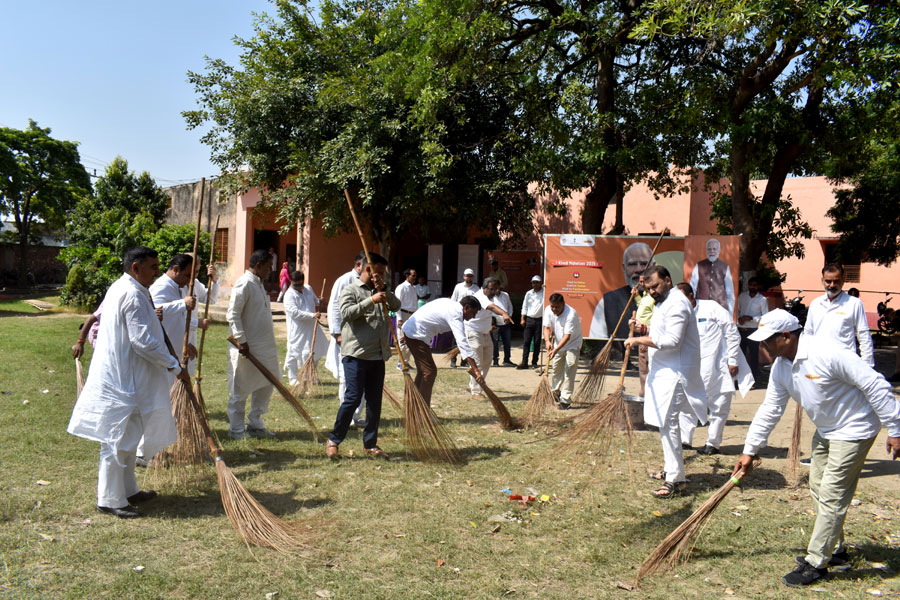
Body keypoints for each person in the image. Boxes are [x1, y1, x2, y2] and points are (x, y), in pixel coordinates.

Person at [733, 309, 900, 587]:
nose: (762, 347)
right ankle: (836, 551)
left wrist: (895, 429)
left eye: (767, 341)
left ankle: (816, 562)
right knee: (819, 485)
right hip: (827, 429)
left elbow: (875, 384)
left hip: (855, 427)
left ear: (786, 336)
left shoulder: (827, 352)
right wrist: (749, 451)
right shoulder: (781, 366)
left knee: (833, 492)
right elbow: (770, 409)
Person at [67, 246, 187, 519]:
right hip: (122, 381)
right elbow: (142, 341)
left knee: (129, 439)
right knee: (116, 440)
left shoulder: (128, 288)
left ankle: (129, 489)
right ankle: (110, 498)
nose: (158, 271)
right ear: (136, 267)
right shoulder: (131, 293)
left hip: (129, 379)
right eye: (153, 267)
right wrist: (172, 364)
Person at [625, 266, 706, 498]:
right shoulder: (664, 302)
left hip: (676, 373)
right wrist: (645, 329)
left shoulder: (678, 303)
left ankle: (675, 479)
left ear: (668, 281)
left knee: (669, 423)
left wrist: (639, 338)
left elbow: (672, 340)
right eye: (648, 289)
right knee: (664, 423)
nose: (652, 292)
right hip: (663, 372)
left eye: (656, 286)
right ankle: (671, 469)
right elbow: (663, 330)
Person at [325, 252, 400, 460]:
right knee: (353, 398)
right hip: (356, 354)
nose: (382, 276)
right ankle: (333, 440)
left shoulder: (381, 289)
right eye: (380, 272)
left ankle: (370, 443)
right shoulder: (350, 289)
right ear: (368, 269)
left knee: (375, 402)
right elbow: (347, 313)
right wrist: (371, 300)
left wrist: (383, 290)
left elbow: (396, 305)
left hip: (377, 355)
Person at [677, 283, 753, 455]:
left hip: (718, 365)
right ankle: (684, 440)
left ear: (691, 296)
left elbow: (732, 333)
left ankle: (713, 443)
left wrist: (733, 360)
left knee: (719, 405)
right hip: (690, 366)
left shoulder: (712, 308)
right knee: (687, 403)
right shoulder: (678, 314)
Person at [226, 248, 279, 440]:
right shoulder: (244, 283)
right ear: (258, 266)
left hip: (265, 347)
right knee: (239, 389)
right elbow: (232, 314)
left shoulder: (259, 284)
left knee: (268, 383)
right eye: (268, 267)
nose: (270, 270)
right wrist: (242, 340)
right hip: (246, 348)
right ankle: (236, 430)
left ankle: (255, 423)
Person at [401, 296, 486, 406]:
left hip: (413, 331)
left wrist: (408, 329)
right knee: (429, 372)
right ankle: (423, 410)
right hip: (417, 334)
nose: (473, 316)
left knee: (424, 371)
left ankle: (415, 406)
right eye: (473, 313)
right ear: (467, 307)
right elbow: (462, 343)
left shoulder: (450, 304)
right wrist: (476, 370)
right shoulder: (456, 314)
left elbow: (424, 311)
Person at [325, 252, 369, 427]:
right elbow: (334, 306)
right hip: (344, 337)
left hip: (363, 339)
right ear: (359, 265)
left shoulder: (368, 283)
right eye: (367, 267)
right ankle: (347, 416)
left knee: (363, 378)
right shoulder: (344, 280)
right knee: (347, 377)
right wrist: (336, 333)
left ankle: (356, 415)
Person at [805, 263, 874, 366]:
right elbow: (808, 333)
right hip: (819, 364)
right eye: (828, 281)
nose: (832, 285)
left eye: (836, 281)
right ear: (822, 280)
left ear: (843, 280)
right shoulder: (816, 304)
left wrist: (868, 365)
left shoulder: (854, 304)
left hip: (845, 364)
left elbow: (863, 335)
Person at [590, 241, 653, 339]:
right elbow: (598, 339)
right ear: (624, 268)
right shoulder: (608, 301)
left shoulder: (665, 298)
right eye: (632, 264)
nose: (639, 269)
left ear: (654, 266)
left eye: (644, 263)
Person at [149, 254, 199, 374]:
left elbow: (177, 318)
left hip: (176, 349)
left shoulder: (177, 287)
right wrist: (182, 304)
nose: (189, 281)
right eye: (187, 275)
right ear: (176, 269)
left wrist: (185, 342)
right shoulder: (161, 286)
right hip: (164, 352)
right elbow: (153, 311)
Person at [464, 278, 513, 396]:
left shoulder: (491, 297)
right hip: (473, 332)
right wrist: (504, 313)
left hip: (486, 332)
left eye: (496, 289)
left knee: (487, 361)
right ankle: (476, 392)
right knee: (478, 362)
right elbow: (491, 307)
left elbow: (490, 312)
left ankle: (472, 385)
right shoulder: (480, 296)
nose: (494, 292)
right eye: (491, 289)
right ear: (484, 288)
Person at [283, 270, 326, 386]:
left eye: (300, 284)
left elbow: (314, 300)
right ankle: (292, 378)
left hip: (311, 327)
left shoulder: (308, 288)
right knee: (294, 352)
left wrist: (319, 300)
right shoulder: (289, 295)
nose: (299, 287)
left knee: (314, 350)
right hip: (297, 329)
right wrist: (312, 315)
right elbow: (295, 313)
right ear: (291, 282)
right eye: (296, 285)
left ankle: (310, 375)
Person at [542, 293, 583, 408]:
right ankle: (555, 391)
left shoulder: (571, 314)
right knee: (556, 368)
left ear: (563, 304)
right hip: (557, 343)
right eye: (552, 306)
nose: (554, 309)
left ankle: (565, 399)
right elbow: (546, 327)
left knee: (569, 368)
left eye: (557, 307)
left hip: (572, 344)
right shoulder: (548, 310)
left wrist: (555, 350)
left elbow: (567, 336)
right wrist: (547, 341)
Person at [689, 238, 735, 314]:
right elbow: (692, 288)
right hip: (702, 308)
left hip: (720, 308)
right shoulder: (699, 265)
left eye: (714, 249)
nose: (712, 251)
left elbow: (729, 292)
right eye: (709, 249)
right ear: (706, 250)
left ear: (719, 250)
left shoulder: (725, 267)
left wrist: (730, 314)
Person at [737, 276, 769, 382]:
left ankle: (753, 380)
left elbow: (765, 317)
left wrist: (751, 318)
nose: (752, 287)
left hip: (753, 331)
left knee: (753, 357)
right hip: (741, 330)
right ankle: (740, 380)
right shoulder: (742, 296)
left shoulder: (762, 299)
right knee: (740, 356)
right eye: (751, 285)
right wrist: (739, 319)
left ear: (758, 286)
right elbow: (737, 311)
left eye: (755, 285)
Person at [448, 268, 481, 368]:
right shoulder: (458, 287)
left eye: (470, 276)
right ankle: (453, 360)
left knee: (467, 340)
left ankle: (464, 360)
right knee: (456, 340)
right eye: (467, 276)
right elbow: (453, 300)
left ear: (473, 277)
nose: (469, 278)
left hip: (470, 318)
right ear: (464, 276)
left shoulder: (476, 289)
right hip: (459, 316)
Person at [518, 275, 544, 370]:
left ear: (541, 283)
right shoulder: (528, 293)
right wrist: (522, 318)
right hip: (529, 320)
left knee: (537, 342)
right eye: (533, 282)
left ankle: (534, 362)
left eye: (537, 282)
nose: (535, 284)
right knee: (526, 342)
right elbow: (524, 306)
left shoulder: (544, 293)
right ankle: (524, 362)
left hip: (540, 320)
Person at [395, 268, 419, 370]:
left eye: (415, 276)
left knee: (411, 339)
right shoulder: (401, 287)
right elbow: (397, 304)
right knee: (402, 340)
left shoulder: (414, 288)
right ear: (407, 276)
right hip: (403, 315)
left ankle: (406, 361)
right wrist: (400, 318)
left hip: (412, 316)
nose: (415, 278)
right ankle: (400, 362)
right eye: (413, 275)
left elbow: (414, 303)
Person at [491, 285, 514, 366]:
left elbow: (510, 306)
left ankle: (507, 360)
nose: (496, 290)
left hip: (506, 322)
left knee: (507, 342)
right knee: (495, 343)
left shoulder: (505, 295)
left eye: (498, 288)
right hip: (495, 323)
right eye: (494, 288)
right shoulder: (491, 296)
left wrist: (509, 315)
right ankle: (495, 361)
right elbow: (489, 309)